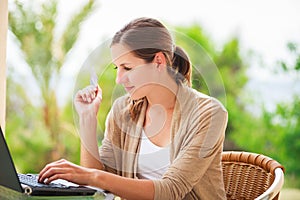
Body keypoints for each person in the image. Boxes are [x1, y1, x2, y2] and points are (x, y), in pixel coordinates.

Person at [38, 17, 228, 200]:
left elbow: (172, 190)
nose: (119, 79)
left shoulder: (209, 113)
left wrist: (91, 176)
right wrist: (87, 119)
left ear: (159, 62)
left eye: (127, 68)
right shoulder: (123, 110)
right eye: (117, 68)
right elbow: (97, 187)